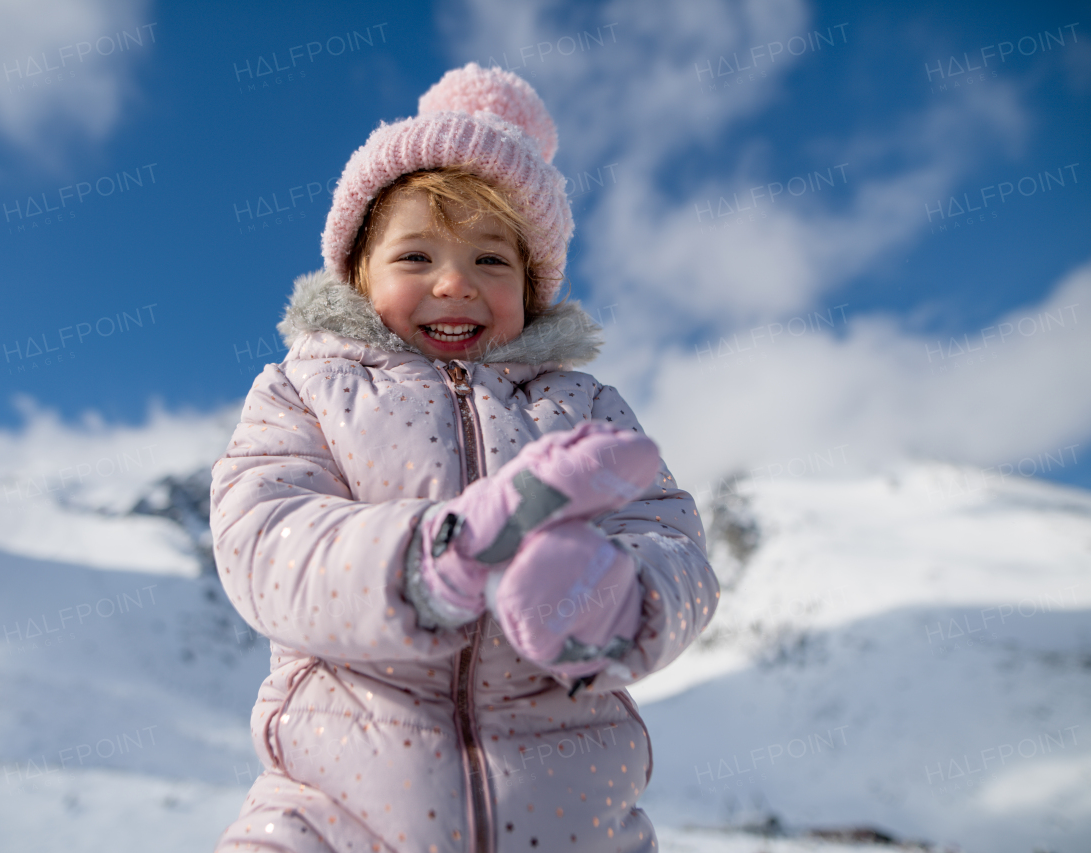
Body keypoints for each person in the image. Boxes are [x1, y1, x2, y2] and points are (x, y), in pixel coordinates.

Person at [210, 62, 719, 852]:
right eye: (415, 258)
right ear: (356, 274)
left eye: (492, 260)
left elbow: (676, 541)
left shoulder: (580, 408)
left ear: (533, 288)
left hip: (573, 819)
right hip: (332, 811)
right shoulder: (304, 392)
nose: (456, 282)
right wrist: (433, 556)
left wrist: (614, 603)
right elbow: (264, 538)